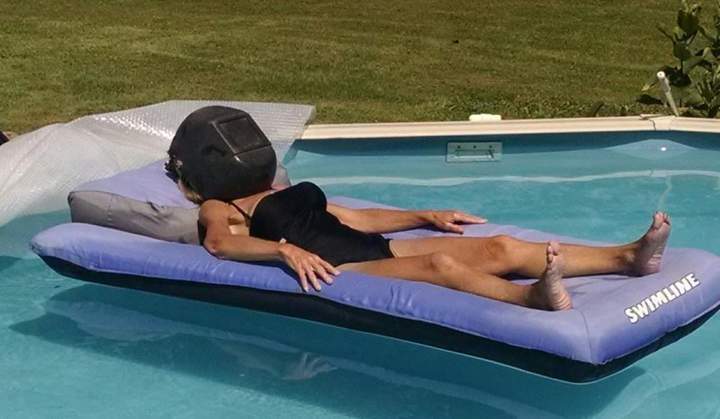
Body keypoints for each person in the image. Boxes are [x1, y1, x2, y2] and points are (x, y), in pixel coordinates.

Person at [166, 106, 671, 311]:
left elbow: (352, 218)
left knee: (498, 247)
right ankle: (529, 299)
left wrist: (423, 215)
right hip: (341, 267)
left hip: (369, 245)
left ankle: (625, 257)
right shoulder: (220, 206)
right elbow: (221, 244)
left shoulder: (279, 190)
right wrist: (283, 252)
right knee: (440, 265)